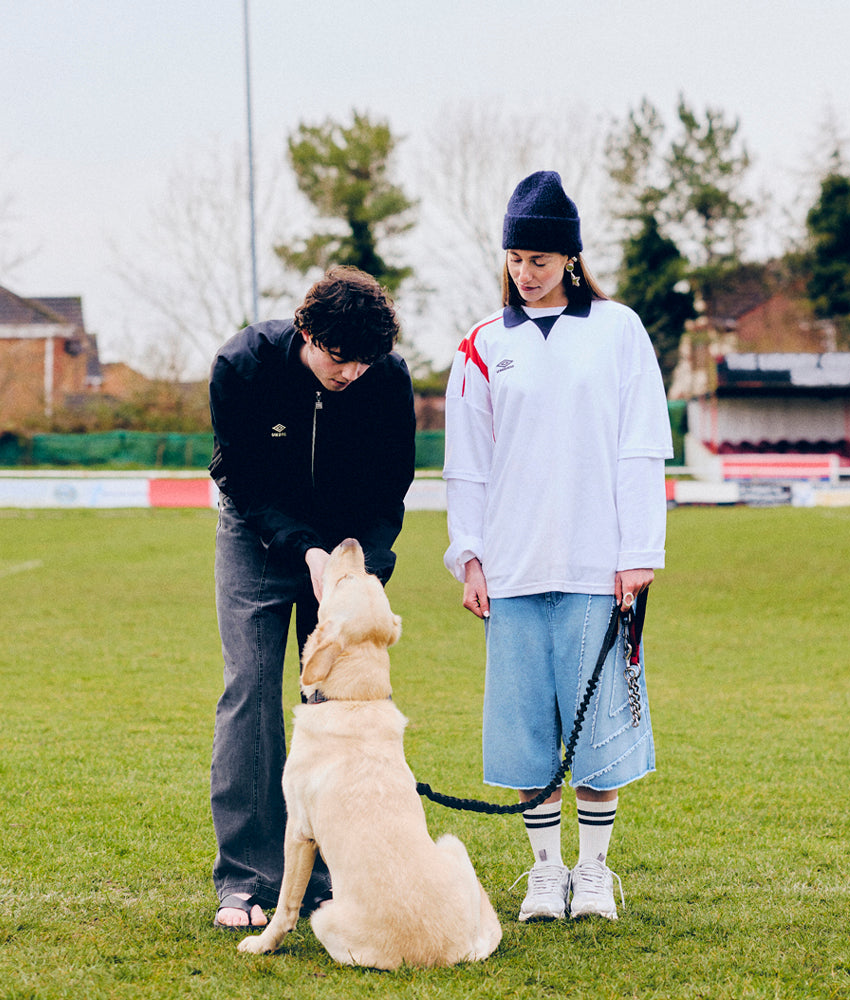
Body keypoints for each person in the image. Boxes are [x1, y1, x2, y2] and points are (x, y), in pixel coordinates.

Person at [442, 171, 670, 922]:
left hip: (597, 564)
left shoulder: (618, 329)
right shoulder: (481, 345)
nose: (525, 272)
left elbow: (642, 444)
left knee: (601, 723)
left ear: (570, 258)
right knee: (523, 729)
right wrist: (467, 554)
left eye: (539, 259)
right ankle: (545, 874)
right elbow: (468, 462)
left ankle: (594, 874)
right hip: (510, 568)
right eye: (515, 258)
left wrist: (639, 550)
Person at [208, 265, 416, 929]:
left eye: (364, 360)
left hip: (347, 545)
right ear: (305, 331)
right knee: (252, 691)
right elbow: (237, 475)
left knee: (336, 706)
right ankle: (245, 877)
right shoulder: (242, 367)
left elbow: (390, 488)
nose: (351, 372)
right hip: (258, 538)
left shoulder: (386, 379)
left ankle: (328, 877)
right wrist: (304, 549)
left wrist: (365, 569)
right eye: (338, 357)